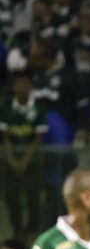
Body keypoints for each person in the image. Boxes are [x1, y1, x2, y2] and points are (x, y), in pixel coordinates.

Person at [2, 71, 48, 239]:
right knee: (12, 198)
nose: (22, 87)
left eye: (25, 83)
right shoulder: (6, 109)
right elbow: (5, 137)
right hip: (10, 164)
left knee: (33, 197)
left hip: (33, 163)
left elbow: (38, 138)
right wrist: (13, 160)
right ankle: (17, 232)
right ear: (13, 87)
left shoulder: (39, 110)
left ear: (31, 86)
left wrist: (24, 160)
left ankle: (33, 233)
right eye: (18, 84)